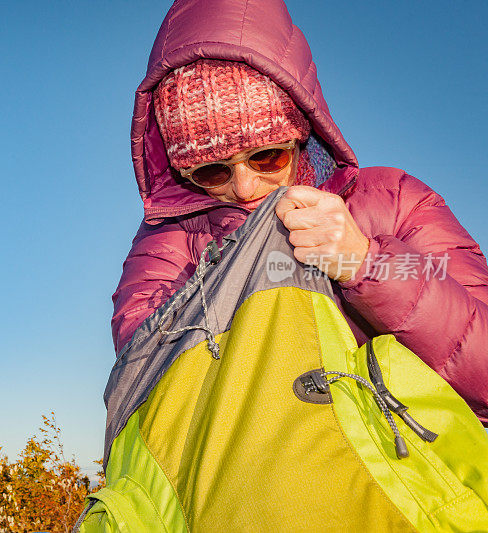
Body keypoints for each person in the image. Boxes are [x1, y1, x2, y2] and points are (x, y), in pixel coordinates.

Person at [111, 0, 488, 424]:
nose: (244, 187)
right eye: (212, 171)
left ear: (299, 135)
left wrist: (365, 263)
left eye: (266, 156)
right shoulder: (169, 239)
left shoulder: (395, 201)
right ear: (184, 171)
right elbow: (143, 380)